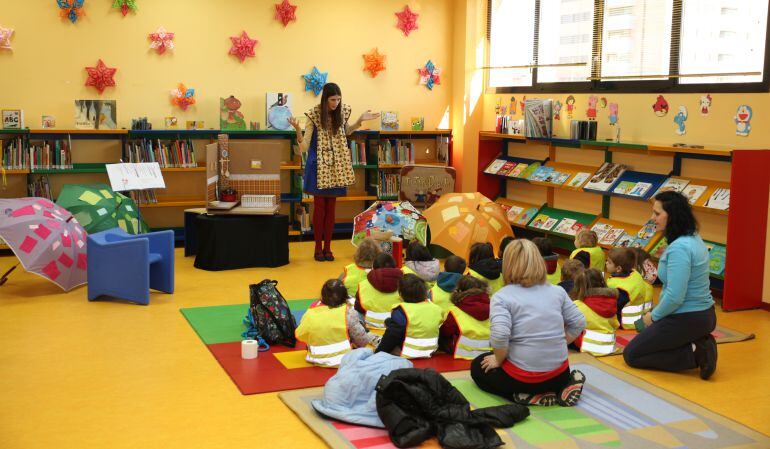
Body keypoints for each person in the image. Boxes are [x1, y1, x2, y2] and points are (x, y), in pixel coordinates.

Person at [471, 239, 587, 407]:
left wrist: (498, 359)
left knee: (478, 366)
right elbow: (579, 322)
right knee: (502, 358)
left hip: (521, 379)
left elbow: (500, 335)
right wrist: (561, 341)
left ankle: (522, 396)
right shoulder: (557, 291)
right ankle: (563, 385)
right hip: (558, 374)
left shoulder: (502, 297)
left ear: (507, 265)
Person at [624, 191, 717, 380]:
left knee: (632, 354)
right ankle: (697, 342)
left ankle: (696, 353)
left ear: (672, 215)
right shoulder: (692, 237)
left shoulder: (680, 248)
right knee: (648, 341)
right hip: (700, 314)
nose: (652, 218)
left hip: (688, 317)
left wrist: (653, 317)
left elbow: (675, 296)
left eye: (657, 214)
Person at [289, 83, 380, 262]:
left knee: (331, 210)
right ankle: (317, 249)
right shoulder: (313, 115)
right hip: (319, 167)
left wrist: (359, 121)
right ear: (325, 99)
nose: (336, 103)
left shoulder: (342, 111)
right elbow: (305, 146)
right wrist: (298, 130)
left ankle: (328, 248)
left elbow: (345, 131)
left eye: (338, 99)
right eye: (332, 99)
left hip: (336, 168)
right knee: (320, 209)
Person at [296, 279, 380, 367]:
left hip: (315, 358)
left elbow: (300, 334)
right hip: (344, 359)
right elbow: (362, 341)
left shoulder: (311, 311)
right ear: (345, 297)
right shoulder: (348, 312)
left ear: (322, 296)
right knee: (368, 351)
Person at [376, 274, 445, 359]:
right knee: (390, 322)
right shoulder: (437, 308)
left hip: (407, 352)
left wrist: (378, 352)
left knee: (392, 326)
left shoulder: (401, 311)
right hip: (431, 351)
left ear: (400, 294)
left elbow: (392, 336)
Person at [439, 275, 491, 360]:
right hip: (489, 352)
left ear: (459, 291)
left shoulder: (454, 310)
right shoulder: (494, 308)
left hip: (464, 352)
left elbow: (446, 331)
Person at [570, 269, 620, 356]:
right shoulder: (612, 303)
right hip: (609, 347)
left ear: (579, 287)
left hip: (586, 347)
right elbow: (616, 325)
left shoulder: (577, 305)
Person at [355, 253, 403, 330]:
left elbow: (358, 308)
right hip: (397, 322)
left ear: (373, 267)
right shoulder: (404, 283)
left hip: (369, 322)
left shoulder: (363, 284)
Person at [606, 247, 651, 328]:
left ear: (618, 268)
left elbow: (612, 307)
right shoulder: (634, 273)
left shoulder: (621, 288)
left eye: (609, 262)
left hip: (624, 323)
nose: (606, 263)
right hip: (638, 318)